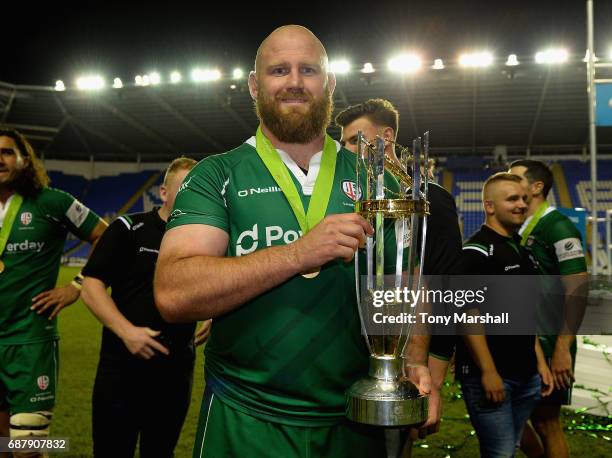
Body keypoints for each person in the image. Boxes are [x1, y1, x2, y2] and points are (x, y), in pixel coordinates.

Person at [154, 25, 432, 458]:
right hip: (246, 418)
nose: (295, 82)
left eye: (309, 70)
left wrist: (414, 360)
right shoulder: (216, 175)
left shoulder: (375, 179)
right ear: (253, 85)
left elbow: (409, 281)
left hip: (355, 420)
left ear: (330, 82)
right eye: (279, 70)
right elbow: (174, 292)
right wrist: (298, 253)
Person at [335, 99, 463, 454]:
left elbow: (448, 283)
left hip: (412, 353)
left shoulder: (429, 199)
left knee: (396, 440)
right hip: (364, 351)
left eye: (353, 140)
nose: (347, 150)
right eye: (343, 142)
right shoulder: (353, 198)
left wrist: (434, 368)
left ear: (387, 136)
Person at [80, 157, 211, 457]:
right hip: (122, 369)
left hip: (176, 371)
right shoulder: (128, 228)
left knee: (160, 452)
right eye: (186, 186)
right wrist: (127, 332)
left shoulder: (205, 239)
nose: (194, 193)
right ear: (164, 193)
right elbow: (91, 286)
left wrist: (215, 313)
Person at [0, 128, 106, 456]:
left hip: (30, 341)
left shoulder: (53, 202)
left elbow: (107, 237)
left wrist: (77, 286)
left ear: (24, 159)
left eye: (6, 152)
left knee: (28, 446)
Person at [457, 172, 553, 457]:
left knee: (509, 447)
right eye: (512, 198)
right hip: (493, 375)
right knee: (500, 452)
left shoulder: (520, 250)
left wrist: (540, 364)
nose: (521, 204)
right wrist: (487, 372)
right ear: (489, 206)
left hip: (526, 374)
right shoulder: (475, 253)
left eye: (524, 198)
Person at [509, 160, 588, 458]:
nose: (508, 181)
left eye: (515, 178)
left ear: (537, 186)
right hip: (521, 339)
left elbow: (577, 290)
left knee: (547, 422)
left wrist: (563, 348)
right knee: (512, 416)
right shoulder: (517, 227)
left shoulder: (557, 226)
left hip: (550, 341)